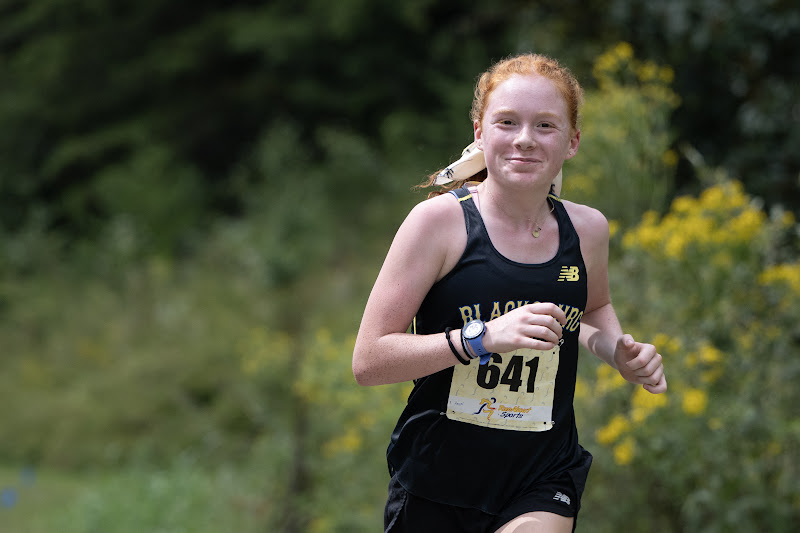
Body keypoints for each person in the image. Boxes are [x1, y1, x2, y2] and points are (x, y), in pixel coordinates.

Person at [352, 53, 667, 533]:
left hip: (541, 474)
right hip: (437, 479)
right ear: (480, 132)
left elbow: (591, 307)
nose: (525, 139)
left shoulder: (588, 230)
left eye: (545, 125)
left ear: (572, 141)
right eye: (507, 122)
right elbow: (369, 362)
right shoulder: (438, 224)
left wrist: (616, 350)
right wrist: (483, 337)